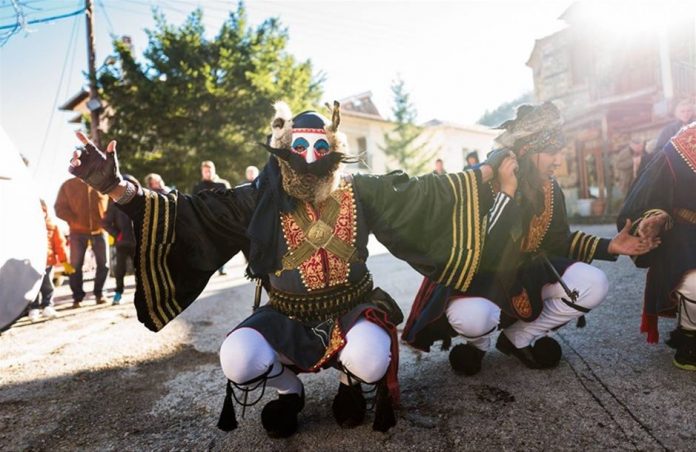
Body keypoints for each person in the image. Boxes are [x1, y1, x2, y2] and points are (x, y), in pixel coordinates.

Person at [67, 101, 509, 437]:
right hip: (286, 313)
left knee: (371, 361)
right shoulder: (258, 198)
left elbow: (423, 194)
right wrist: (117, 188)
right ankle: (289, 391)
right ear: (283, 149)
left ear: (333, 150)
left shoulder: (362, 191)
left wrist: (492, 165)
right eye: (300, 146)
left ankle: (350, 381)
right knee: (238, 359)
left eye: (321, 147)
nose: (311, 157)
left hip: (352, 307)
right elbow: (193, 213)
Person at [403, 102, 656, 375]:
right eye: (551, 152)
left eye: (559, 151)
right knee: (476, 319)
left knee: (594, 283)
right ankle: (478, 343)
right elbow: (487, 251)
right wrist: (507, 193)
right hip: (479, 277)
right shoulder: (484, 185)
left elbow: (560, 241)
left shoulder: (550, 187)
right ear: (525, 151)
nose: (558, 160)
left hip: (527, 275)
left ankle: (518, 337)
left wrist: (610, 245)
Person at [618, 122, 696, 371]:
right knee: (695, 283)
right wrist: (656, 218)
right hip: (686, 237)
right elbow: (648, 197)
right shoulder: (678, 148)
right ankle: (690, 338)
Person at [54, 176, 109, 307]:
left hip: (100, 231)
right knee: (75, 266)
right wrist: (73, 220)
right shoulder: (68, 185)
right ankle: (77, 298)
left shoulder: (102, 183)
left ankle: (100, 294)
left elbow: (113, 204)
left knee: (104, 264)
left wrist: (107, 221)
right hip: (77, 232)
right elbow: (59, 208)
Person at [27, 200, 73, 322]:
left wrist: (65, 261)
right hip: (31, 263)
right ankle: (33, 308)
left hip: (47, 262)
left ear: (45, 211)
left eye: (42, 210)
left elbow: (60, 244)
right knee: (33, 287)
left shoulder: (52, 226)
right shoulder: (28, 227)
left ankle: (47, 305)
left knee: (47, 285)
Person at [102, 175, 138, 305]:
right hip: (122, 243)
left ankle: (143, 295)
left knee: (140, 269)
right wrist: (118, 235)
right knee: (120, 270)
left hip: (138, 243)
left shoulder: (141, 201)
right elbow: (105, 223)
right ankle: (118, 294)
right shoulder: (114, 204)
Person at [641, 99, 694, 173]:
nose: (686, 114)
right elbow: (659, 149)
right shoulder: (668, 130)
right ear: (677, 113)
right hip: (675, 167)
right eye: (682, 111)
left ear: (693, 112)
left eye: (689, 111)